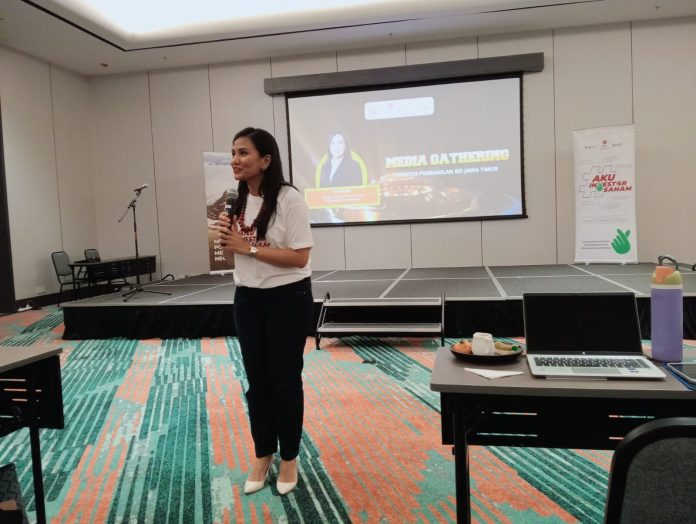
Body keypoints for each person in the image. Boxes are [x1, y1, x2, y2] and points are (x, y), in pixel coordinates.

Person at [217, 127, 314, 496]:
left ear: (265, 160)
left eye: (243, 153)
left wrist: (248, 248)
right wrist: (227, 239)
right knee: (257, 382)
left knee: (284, 381)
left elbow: (300, 256)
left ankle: (289, 457)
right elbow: (232, 253)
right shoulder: (235, 200)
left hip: (287, 298)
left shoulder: (289, 199)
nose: (235, 160)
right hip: (248, 299)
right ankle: (263, 453)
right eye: (233, 152)